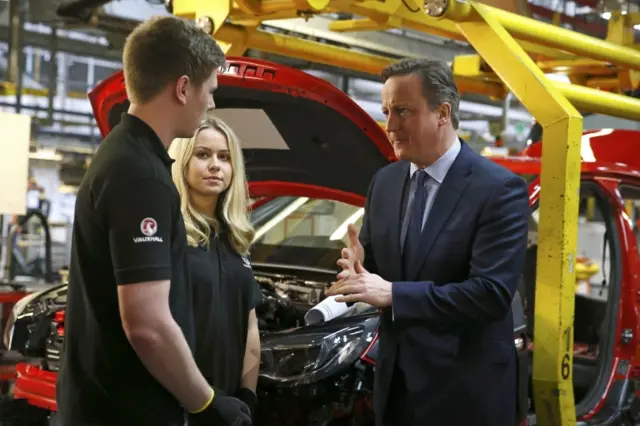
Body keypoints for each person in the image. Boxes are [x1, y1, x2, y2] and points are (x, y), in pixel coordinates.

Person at [56, 16, 251, 426]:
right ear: (183, 88)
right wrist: (207, 402)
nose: (212, 104)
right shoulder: (142, 176)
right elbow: (148, 325)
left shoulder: (123, 155)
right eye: (210, 91)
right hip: (127, 410)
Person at [326, 58, 529, 426]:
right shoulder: (384, 183)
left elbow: (490, 294)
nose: (389, 126)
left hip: (465, 394)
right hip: (396, 385)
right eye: (387, 111)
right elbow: (379, 271)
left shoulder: (498, 190)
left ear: (442, 112)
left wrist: (394, 294)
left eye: (402, 111)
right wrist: (359, 264)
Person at [167, 115, 262, 423]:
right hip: (181, 404)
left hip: (230, 407)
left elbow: (249, 326)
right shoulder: (170, 235)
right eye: (203, 154)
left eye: (224, 157)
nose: (215, 165)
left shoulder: (237, 241)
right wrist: (203, 399)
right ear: (182, 162)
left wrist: (248, 395)